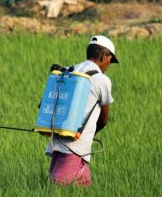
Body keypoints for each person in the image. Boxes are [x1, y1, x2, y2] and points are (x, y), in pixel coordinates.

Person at [45, 35, 118, 186]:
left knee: (82, 188)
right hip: (76, 145)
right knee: (59, 186)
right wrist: (91, 135)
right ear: (104, 56)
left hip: (58, 138)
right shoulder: (101, 79)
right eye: (110, 60)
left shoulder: (70, 70)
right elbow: (104, 119)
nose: (108, 65)